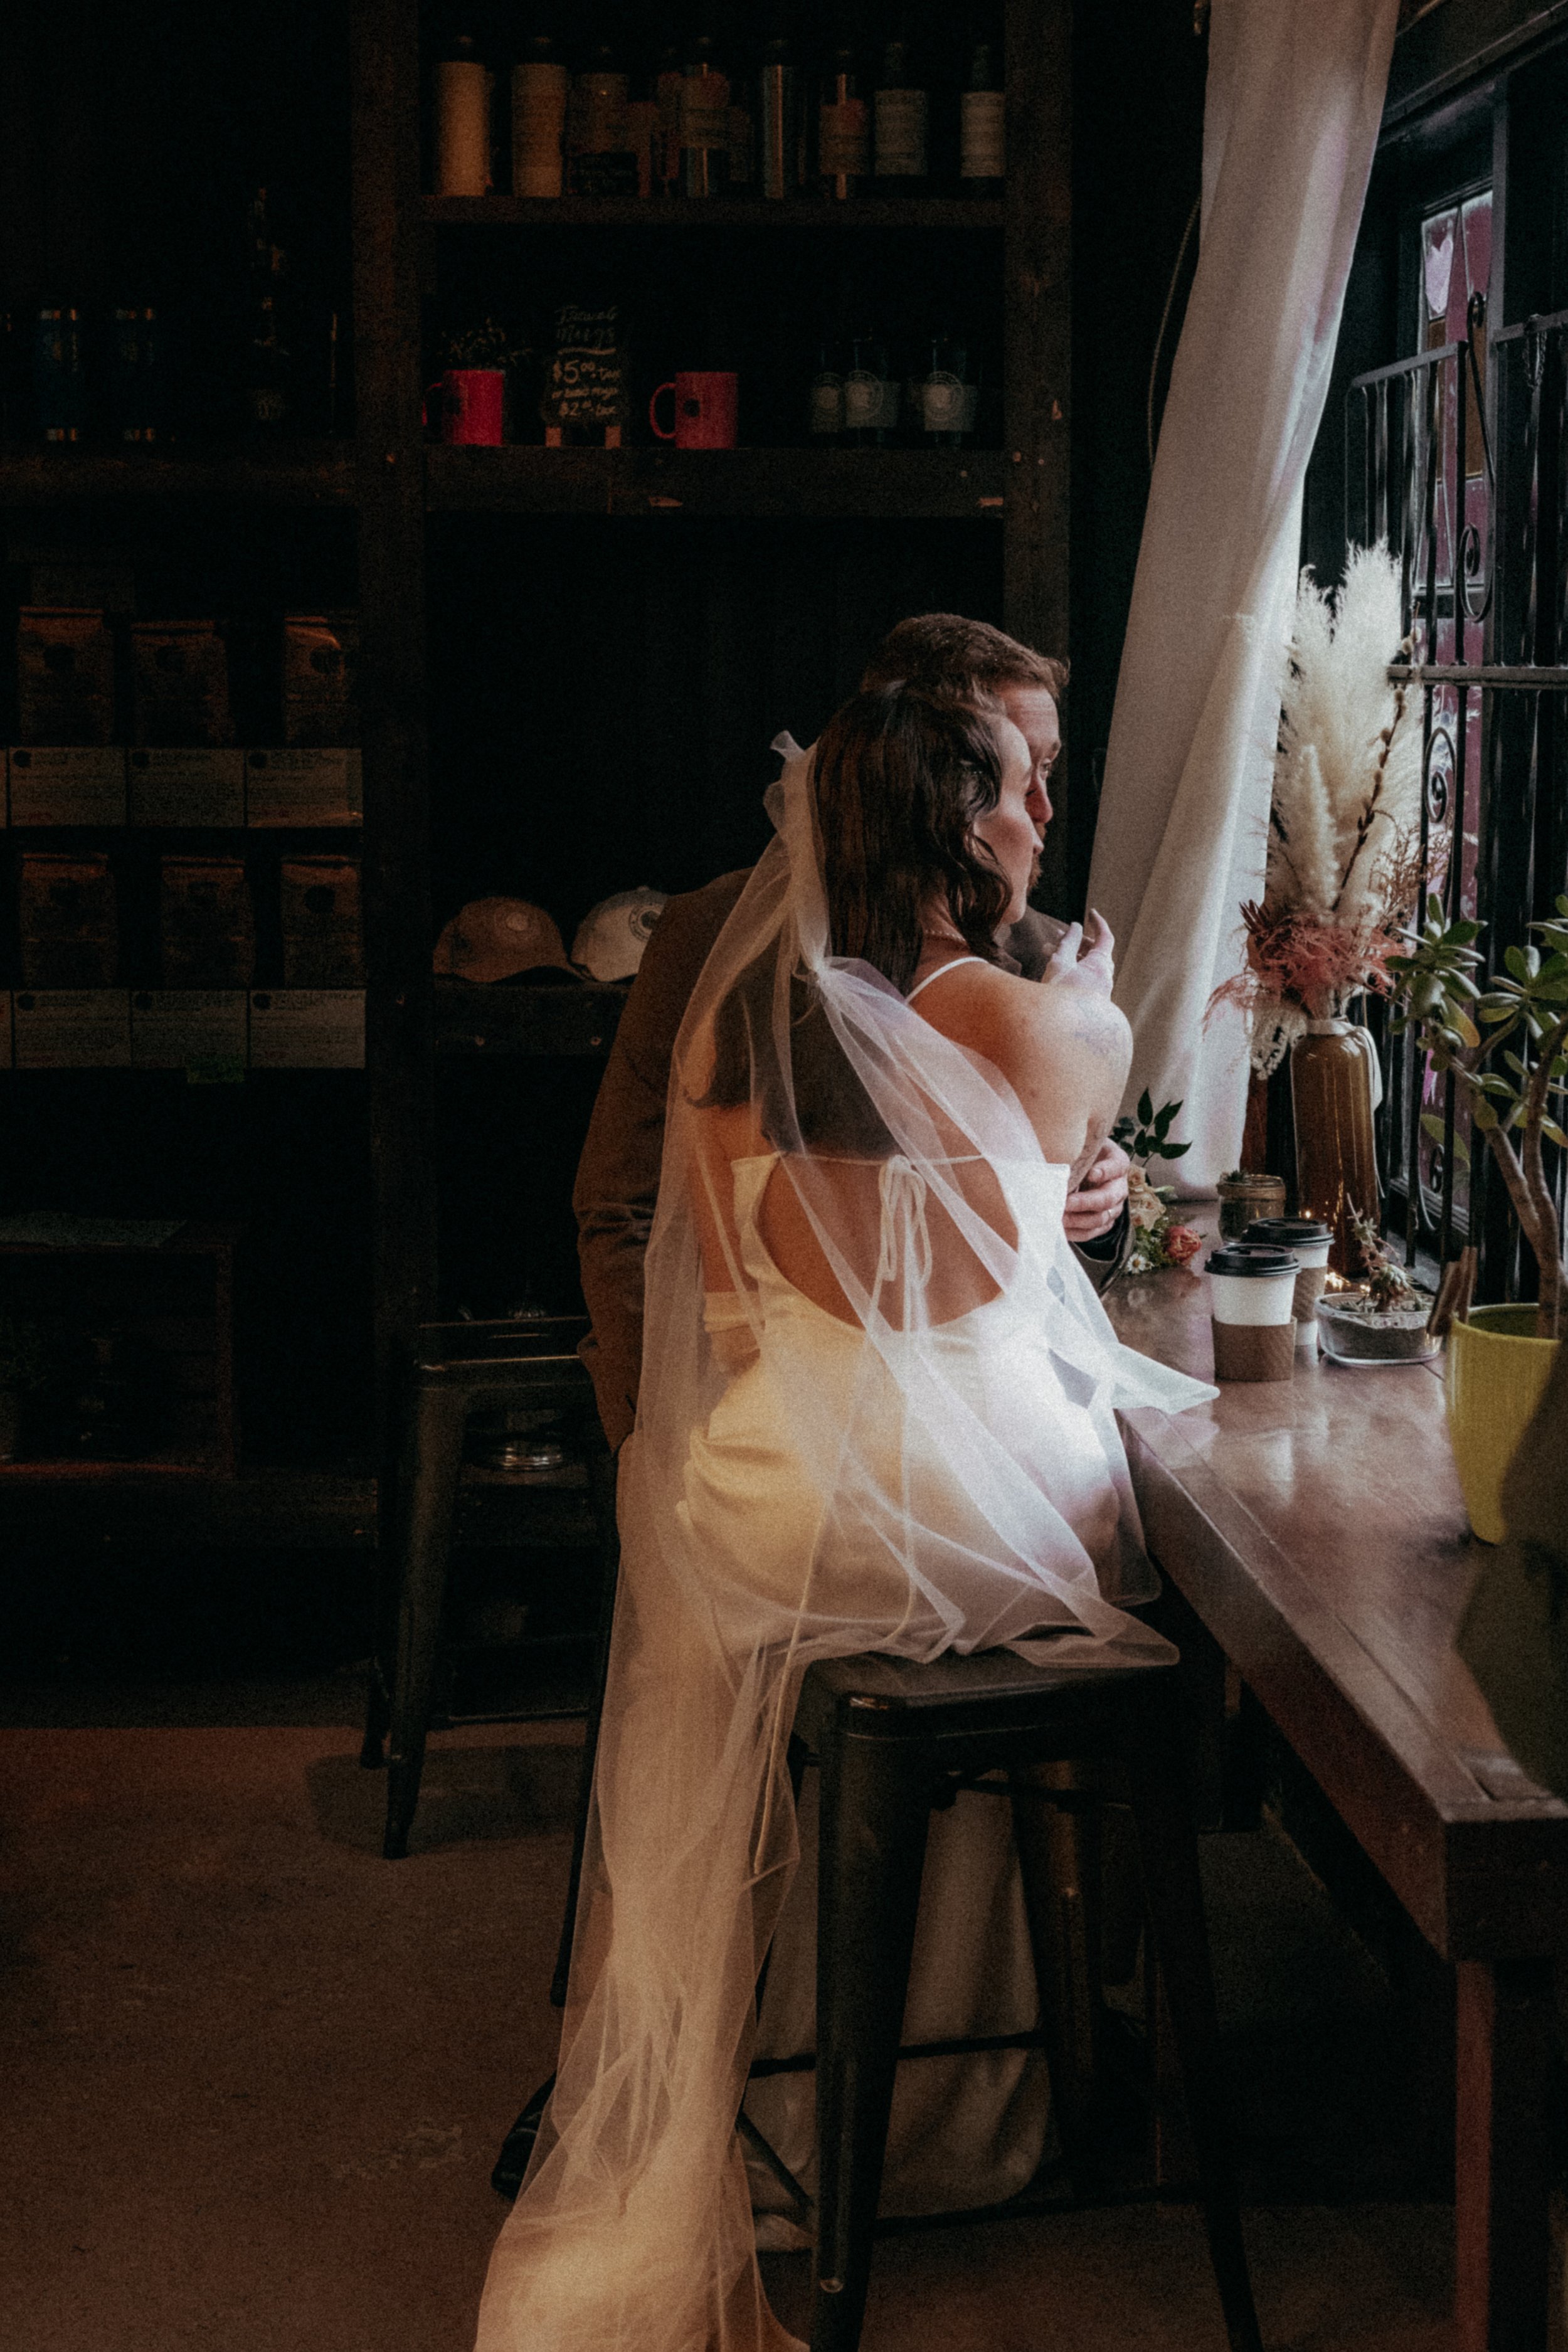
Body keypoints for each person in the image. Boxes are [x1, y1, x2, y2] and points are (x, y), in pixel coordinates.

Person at [475, 687, 1214, 2352]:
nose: (1040, 819)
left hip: (752, 1475)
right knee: (1142, 1528)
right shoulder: (1021, 1014)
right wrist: (1077, 998)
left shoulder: (751, 1014)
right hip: (922, 1498)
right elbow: (1069, 1128)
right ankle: (1101, 2047)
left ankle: (832, 2072)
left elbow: (730, 1264)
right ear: (963, 833)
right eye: (1022, 793)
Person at [573, 613, 1132, 1457]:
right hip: (748, 1431)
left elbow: (1043, 1224)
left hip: (988, 1441)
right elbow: (618, 1205)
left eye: (1048, 770)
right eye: (1018, 770)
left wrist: (1102, 1202)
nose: (1047, 810)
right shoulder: (710, 934)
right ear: (908, 752)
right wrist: (667, 1434)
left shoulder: (1045, 953)